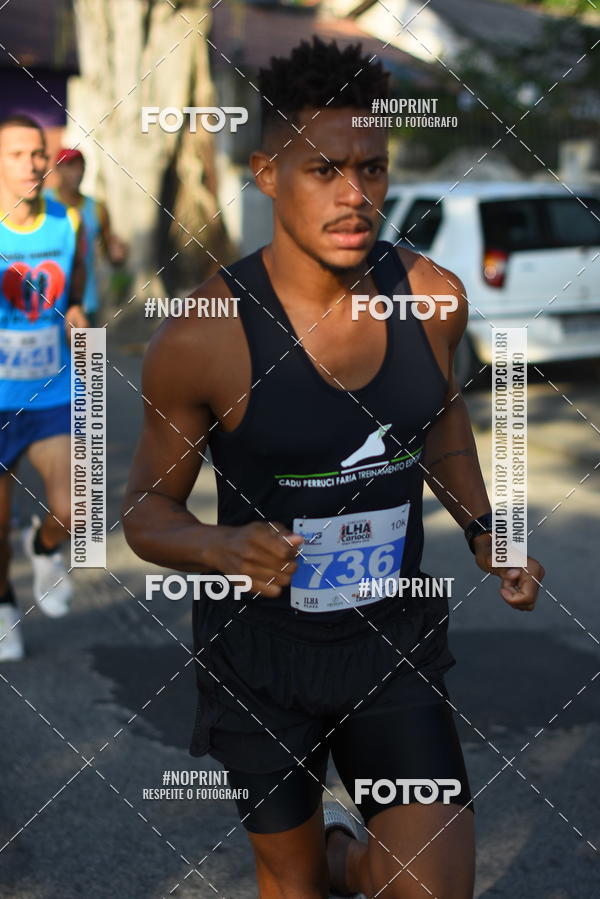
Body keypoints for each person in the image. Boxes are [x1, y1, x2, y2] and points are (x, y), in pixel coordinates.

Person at [122, 39, 545, 899]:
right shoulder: (201, 335)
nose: (356, 196)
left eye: (374, 168)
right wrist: (224, 546)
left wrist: (483, 527)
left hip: (390, 642)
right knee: (293, 880)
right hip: (260, 656)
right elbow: (143, 512)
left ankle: (358, 860)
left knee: (431, 889)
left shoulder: (433, 298)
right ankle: (338, 862)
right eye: (325, 169)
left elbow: (441, 421)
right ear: (268, 173)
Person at [0, 115, 87, 662]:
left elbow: (76, 290)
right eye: (16, 154)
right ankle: (4, 605)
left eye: (38, 154)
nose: (32, 164)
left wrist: (78, 312)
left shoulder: (63, 221)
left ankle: (44, 547)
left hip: (50, 391)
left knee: (76, 507)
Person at [46, 147, 128, 327]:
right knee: (53, 355)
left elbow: (111, 256)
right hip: (48, 301)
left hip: (86, 301)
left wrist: (118, 255)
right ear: (57, 169)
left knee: (90, 354)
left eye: (79, 167)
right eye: (69, 167)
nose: (75, 173)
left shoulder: (97, 208)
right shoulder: (43, 202)